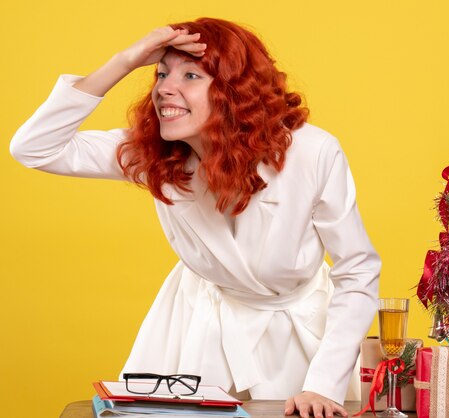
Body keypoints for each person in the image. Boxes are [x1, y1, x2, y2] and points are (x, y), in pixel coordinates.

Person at [10, 17, 380, 418]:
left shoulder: (313, 152)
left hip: (301, 336)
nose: (165, 88)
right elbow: (33, 147)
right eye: (161, 73)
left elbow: (358, 270)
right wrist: (124, 60)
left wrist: (323, 385)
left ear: (234, 92)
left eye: (190, 75)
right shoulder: (154, 153)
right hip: (199, 326)